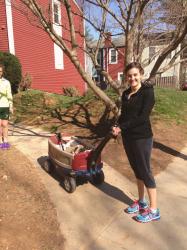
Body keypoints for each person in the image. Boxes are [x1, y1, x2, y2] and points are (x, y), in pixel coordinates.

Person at [112, 62, 160, 223]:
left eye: (135, 75)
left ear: (140, 74)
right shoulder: (126, 93)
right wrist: (117, 125)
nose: (132, 78)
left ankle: (154, 210)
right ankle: (141, 202)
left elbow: (142, 117)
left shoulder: (147, 92)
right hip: (128, 138)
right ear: (126, 78)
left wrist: (121, 128)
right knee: (137, 171)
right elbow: (124, 115)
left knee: (145, 171)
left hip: (142, 138)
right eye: (129, 76)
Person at [0, 64, 13, 149]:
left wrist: (11, 106)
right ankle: (0, 142)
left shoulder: (6, 82)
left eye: (0, 71)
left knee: (5, 124)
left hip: (5, 106)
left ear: (2, 72)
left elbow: (9, 94)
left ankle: (5, 141)